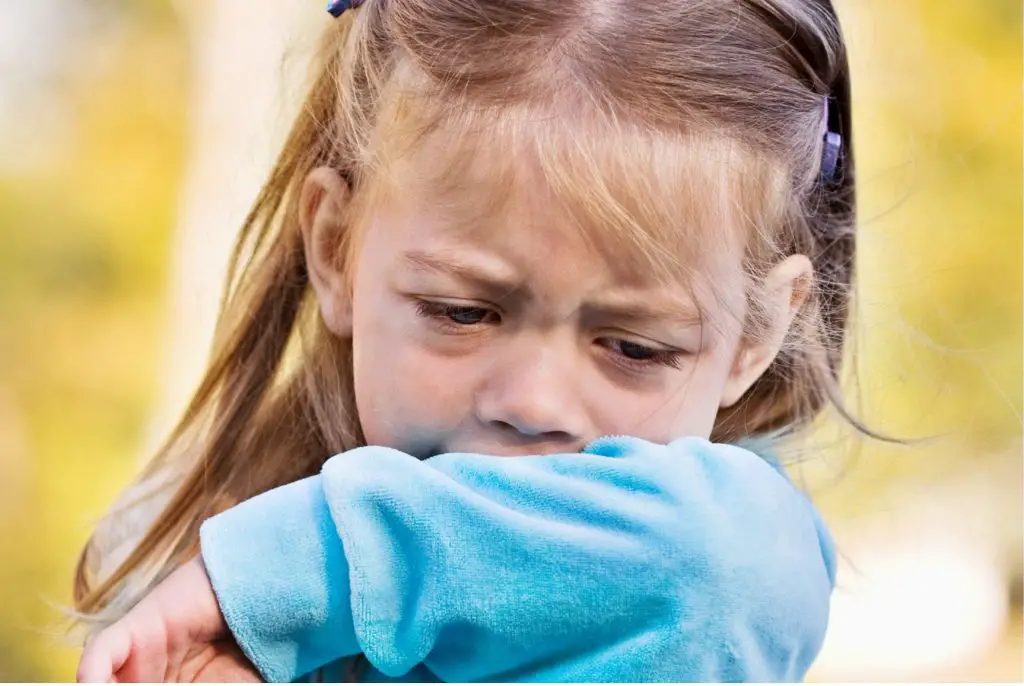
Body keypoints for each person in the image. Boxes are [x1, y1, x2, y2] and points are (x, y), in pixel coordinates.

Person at [74, 0, 860, 681]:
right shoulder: (200, 602)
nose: (532, 403)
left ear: (757, 331)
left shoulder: (746, 553)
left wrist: (294, 569)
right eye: (461, 312)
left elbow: (710, 562)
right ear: (336, 249)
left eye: (635, 348)